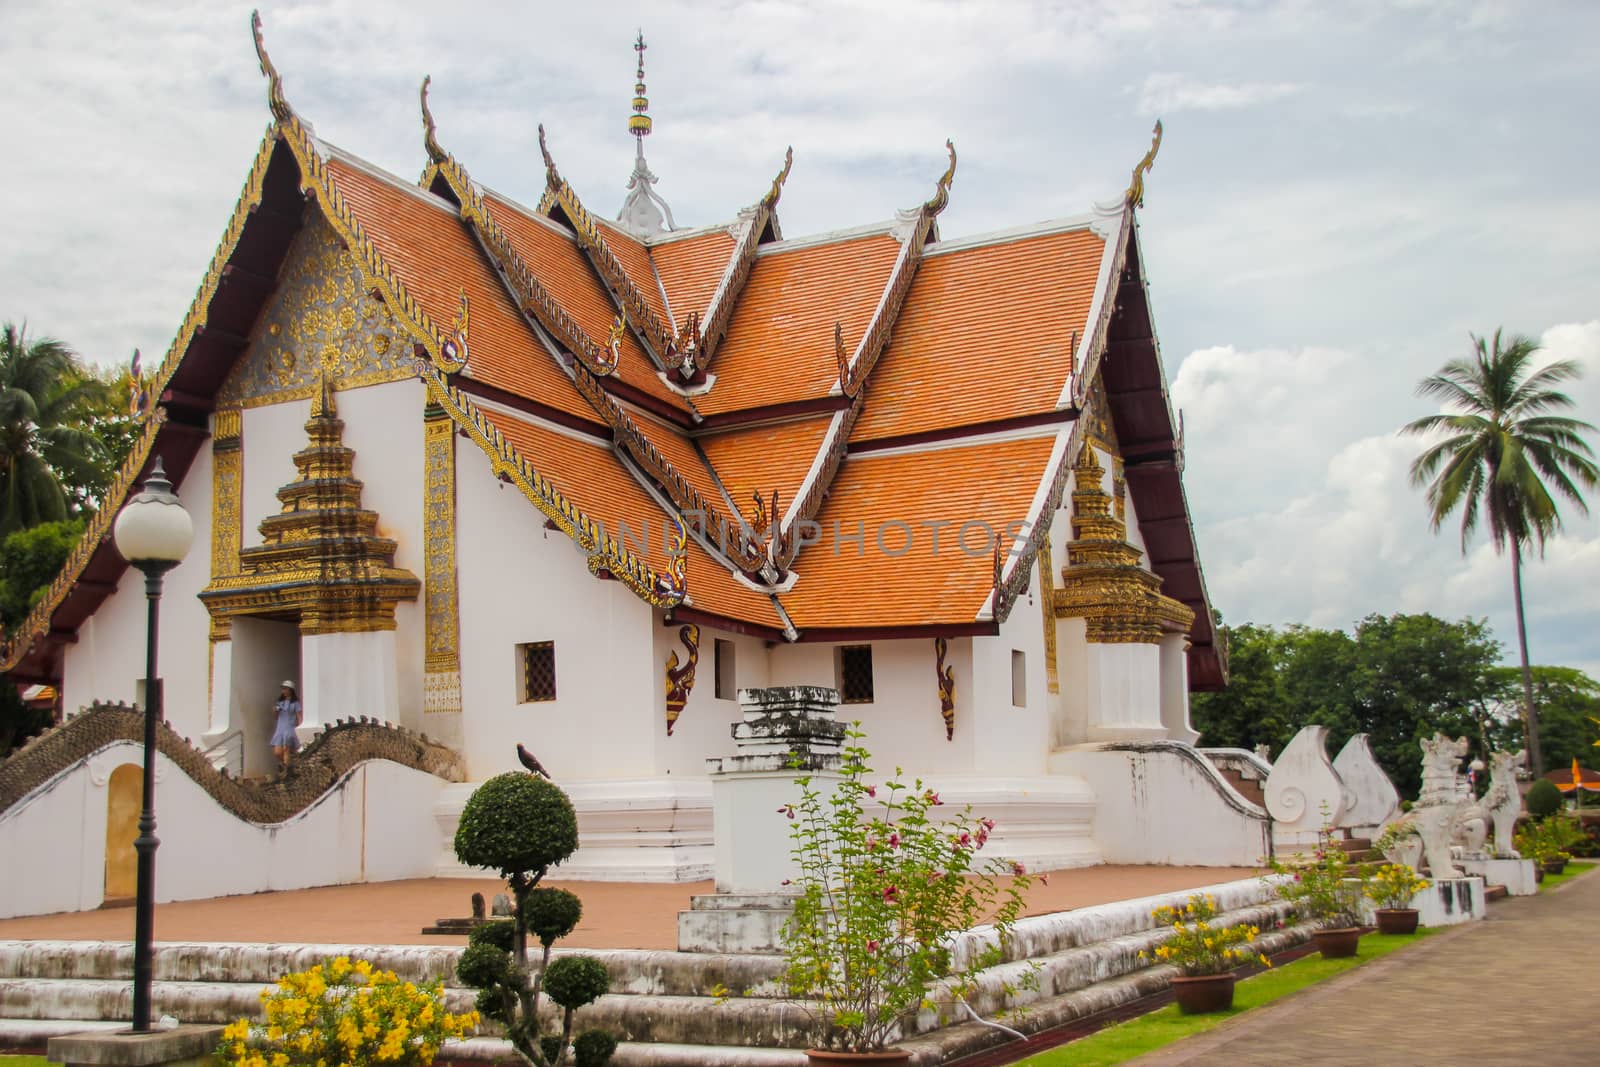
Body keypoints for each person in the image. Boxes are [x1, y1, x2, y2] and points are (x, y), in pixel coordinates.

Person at [271, 680, 302, 771]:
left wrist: (298, 728)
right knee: (277, 752)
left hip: (290, 728)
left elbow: (298, 716)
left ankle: (286, 770)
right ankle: (288, 765)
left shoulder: (295, 703)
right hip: (280, 729)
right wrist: (275, 711)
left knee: (286, 751)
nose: (283, 691)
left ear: (290, 690)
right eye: (283, 689)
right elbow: (276, 717)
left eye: (285, 689)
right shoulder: (280, 703)